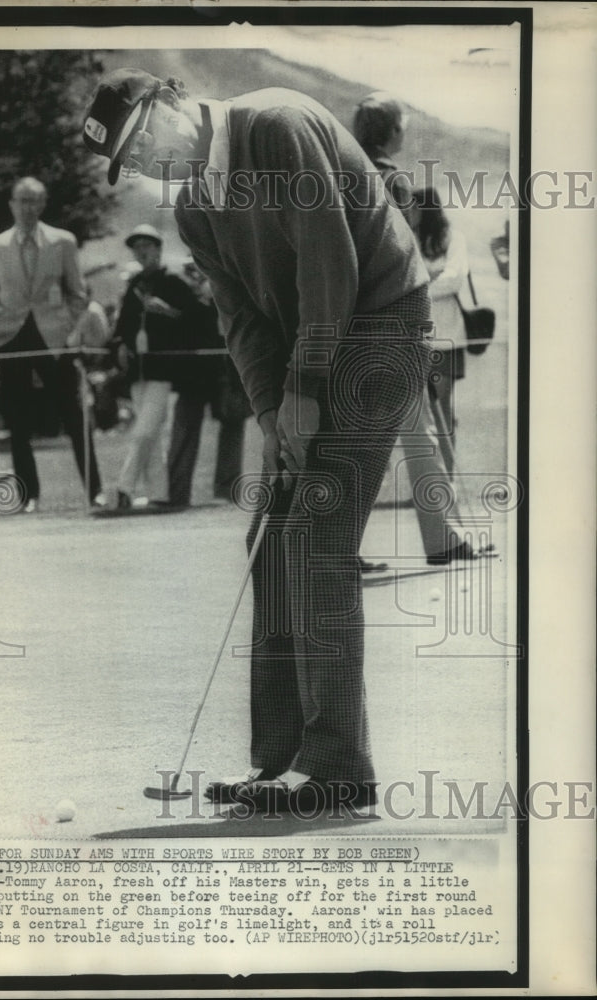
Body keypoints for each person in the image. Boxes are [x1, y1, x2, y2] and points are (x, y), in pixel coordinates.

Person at [84, 69, 433, 814]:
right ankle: (283, 763)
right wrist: (273, 409)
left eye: (143, 139)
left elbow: (328, 260)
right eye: (129, 160)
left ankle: (338, 766)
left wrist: (305, 384)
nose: (145, 162)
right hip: (309, 350)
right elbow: (239, 317)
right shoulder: (196, 207)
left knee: (316, 540)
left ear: (173, 101)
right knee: (272, 544)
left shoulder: (274, 123)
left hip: (379, 329)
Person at [354, 92, 482, 564]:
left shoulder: (338, 175)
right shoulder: (392, 181)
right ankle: (442, 538)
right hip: (393, 322)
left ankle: (341, 543)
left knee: (361, 439)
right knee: (417, 432)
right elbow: (400, 260)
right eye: (402, 124)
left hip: (348, 322)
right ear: (392, 131)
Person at [0, 177, 105, 513]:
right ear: (12, 205)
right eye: (22, 200)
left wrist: (68, 329)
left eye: (35, 201)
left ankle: (95, 491)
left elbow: (78, 293)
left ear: (43, 204)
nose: (28, 207)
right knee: (18, 419)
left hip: (54, 338)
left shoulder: (63, 242)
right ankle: (28, 495)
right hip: (12, 338)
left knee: (74, 415)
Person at [107, 224, 200, 510]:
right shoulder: (134, 285)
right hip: (139, 369)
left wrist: (168, 312)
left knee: (144, 431)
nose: (142, 252)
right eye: (138, 248)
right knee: (152, 434)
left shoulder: (174, 282)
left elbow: (196, 320)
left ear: (158, 249)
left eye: (147, 246)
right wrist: (121, 345)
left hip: (164, 368)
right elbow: (121, 327)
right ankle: (160, 494)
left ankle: (123, 488)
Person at [408, 186, 470, 476]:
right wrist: (430, 279)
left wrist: (421, 287)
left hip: (447, 336)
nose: (409, 212)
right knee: (422, 412)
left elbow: (455, 278)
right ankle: (431, 480)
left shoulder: (453, 238)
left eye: (414, 207)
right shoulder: (410, 238)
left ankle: (448, 476)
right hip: (418, 336)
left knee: (441, 407)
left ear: (426, 210)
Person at [180, 258, 250, 502]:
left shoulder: (230, 287)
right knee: (188, 425)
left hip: (229, 364)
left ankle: (227, 488)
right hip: (200, 368)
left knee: (232, 420)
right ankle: (179, 491)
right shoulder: (191, 297)